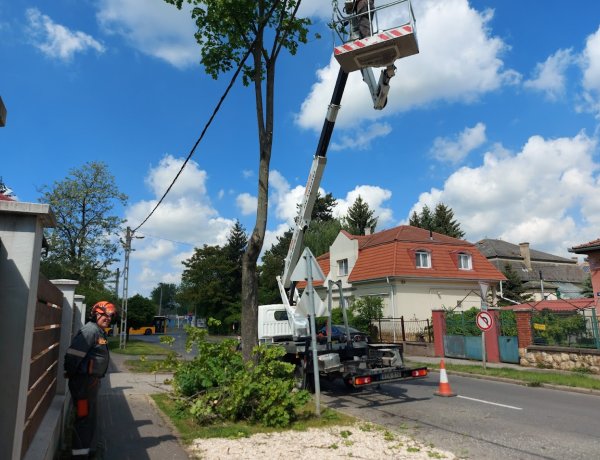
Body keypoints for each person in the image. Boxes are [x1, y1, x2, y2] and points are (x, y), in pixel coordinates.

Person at [64, 301, 116, 459]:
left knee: (88, 418)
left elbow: (98, 351)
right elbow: (73, 355)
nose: (108, 318)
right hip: (83, 386)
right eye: (104, 314)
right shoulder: (90, 331)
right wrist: (75, 376)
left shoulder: (99, 333)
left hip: (90, 384)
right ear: (95, 313)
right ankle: (79, 456)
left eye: (111, 315)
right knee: (84, 418)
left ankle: (85, 450)